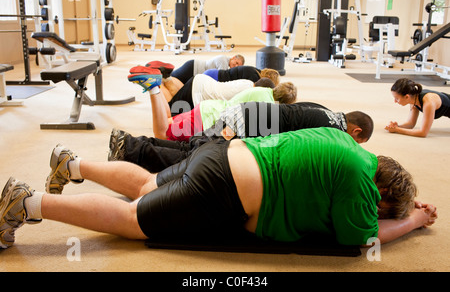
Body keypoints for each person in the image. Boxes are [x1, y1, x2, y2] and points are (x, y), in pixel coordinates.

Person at [0, 128, 437, 249]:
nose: (375, 213)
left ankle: (72, 164)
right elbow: (362, 238)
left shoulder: (346, 143)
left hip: (220, 155)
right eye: (381, 208)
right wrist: (414, 220)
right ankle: (27, 202)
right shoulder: (360, 183)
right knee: (135, 219)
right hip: (223, 190)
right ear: (379, 195)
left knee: (148, 183)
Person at [109, 102, 374, 173]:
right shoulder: (332, 133)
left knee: (191, 145)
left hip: (241, 113)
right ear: (356, 131)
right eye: (356, 142)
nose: (351, 145)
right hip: (248, 126)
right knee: (196, 159)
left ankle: (130, 142)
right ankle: (131, 150)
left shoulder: (324, 111)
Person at [145, 79, 296, 142]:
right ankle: (152, 87)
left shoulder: (262, 89)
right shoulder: (269, 107)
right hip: (207, 120)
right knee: (162, 134)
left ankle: (156, 85)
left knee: (168, 120)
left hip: (207, 107)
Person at [385, 78, 450, 137]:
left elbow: (423, 133)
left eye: (397, 98)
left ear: (407, 97)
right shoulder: (413, 98)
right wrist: (396, 126)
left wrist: (397, 130)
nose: (395, 101)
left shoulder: (428, 102)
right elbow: (410, 124)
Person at [168, 54, 245, 85]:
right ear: (234, 57)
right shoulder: (223, 61)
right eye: (237, 62)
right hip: (192, 68)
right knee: (171, 77)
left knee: (174, 81)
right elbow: (222, 79)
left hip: (194, 69)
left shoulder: (225, 62)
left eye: (238, 66)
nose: (236, 65)